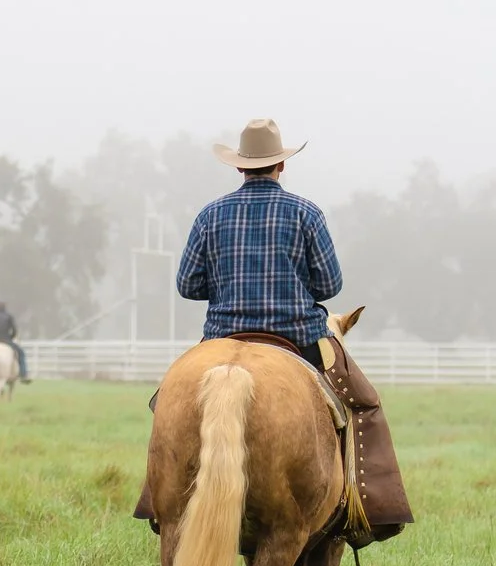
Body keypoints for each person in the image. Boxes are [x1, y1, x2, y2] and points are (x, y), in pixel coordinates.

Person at [168, 116, 408, 539]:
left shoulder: (209, 216)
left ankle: (158, 502)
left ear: (240, 167)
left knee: (165, 404)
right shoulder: (307, 214)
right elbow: (330, 284)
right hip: (297, 337)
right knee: (363, 404)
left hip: (222, 335)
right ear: (282, 165)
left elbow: (188, 285)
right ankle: (369, 514)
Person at [0, 301, 27, 381]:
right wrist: (10, 338)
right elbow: (14, 330)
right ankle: (23, 374)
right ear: (5, 308)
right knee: (21, 353)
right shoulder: (9, 317)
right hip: (5, 340)